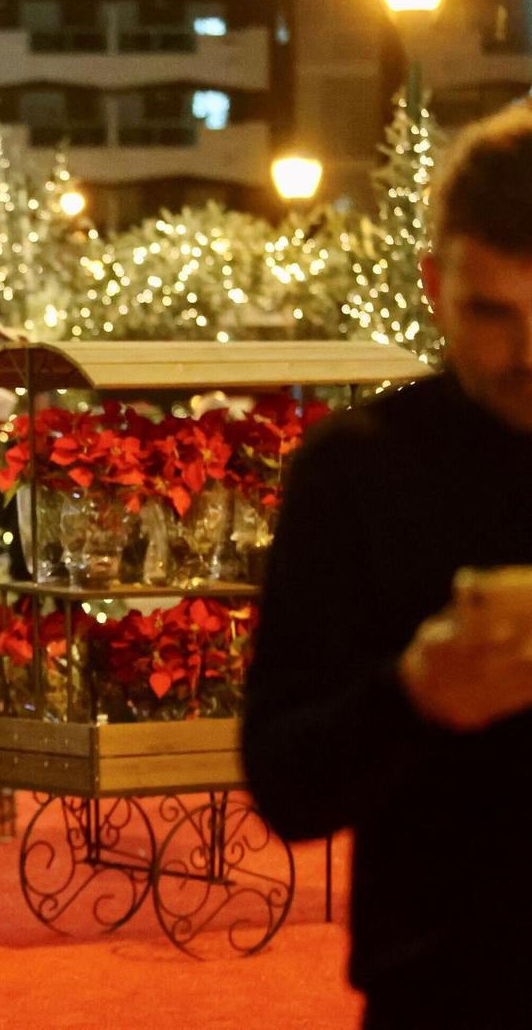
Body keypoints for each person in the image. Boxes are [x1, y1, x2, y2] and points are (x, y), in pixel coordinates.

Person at [244, 101, 532, 1028]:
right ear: (432, 283)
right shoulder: (359, 470)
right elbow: (283, 783)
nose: (529, 356)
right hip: (444, 988)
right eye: (493, 313)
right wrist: (415, 697)